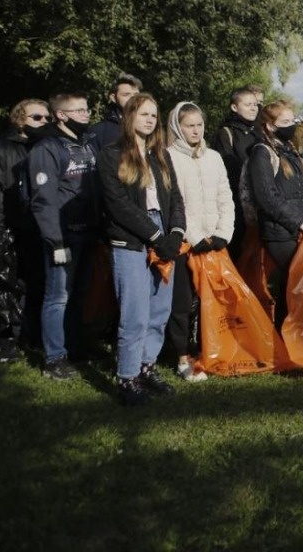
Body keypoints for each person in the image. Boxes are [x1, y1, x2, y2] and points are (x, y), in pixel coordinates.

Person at [98, 93, 186, 405]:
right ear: (130, 116)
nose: (149, 120)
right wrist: (153, 235)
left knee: (159, 310)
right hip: (131, 240)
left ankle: (146, 368)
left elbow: (176, 199)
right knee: (135, 312)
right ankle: (127, 377)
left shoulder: (161, 155)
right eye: (143, 114)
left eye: (153, 115)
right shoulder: (111, 155)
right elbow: (117, 204)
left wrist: (175, 234)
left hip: (164, 236)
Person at [28, 92, 100, 380]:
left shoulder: (87, 144)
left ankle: (74, 346)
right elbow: (42, 199)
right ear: (61, 114)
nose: (85, 114)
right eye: (79, 110)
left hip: (89, 232)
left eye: (86, 109)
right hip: (63, 236)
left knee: (79, 294)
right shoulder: (47, 148)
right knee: (57, 296)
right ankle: (54, 358)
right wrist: (54, 240)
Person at [166, 101, 234, 382]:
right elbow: (174, 202)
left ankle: (210, 349)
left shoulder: (214, 157)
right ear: (177, 128)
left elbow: (225, 197)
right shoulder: (168, 157)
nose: (196, 130)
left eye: (199, 125)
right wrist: (194, 237)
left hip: (215, 240)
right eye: (189, 125)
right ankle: (182, 356)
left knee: (213, 300)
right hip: (186, 242)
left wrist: (223, 233)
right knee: (182, 302)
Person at [246, 101, 303, 328]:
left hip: (302, 227)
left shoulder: (290, 151)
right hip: (279, 232)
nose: (292, 126)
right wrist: (300, 221)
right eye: (286, 122)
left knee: (293, 285)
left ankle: (293, 338)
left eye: (293, 121)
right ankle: (288, 336)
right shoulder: (262, 153)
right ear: (270, 126)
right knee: (296, 283)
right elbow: (267, 197)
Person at [0, 99, 50, 359]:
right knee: (8, 285)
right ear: (20, 120)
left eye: (46, 118)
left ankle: (32, 336)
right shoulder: (4, 149)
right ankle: (7, 339)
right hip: (10, 227)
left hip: (40, 229)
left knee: (37, 283)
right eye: (37, 117)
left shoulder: (45, 148)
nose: (43, 122)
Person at [212, 87, 260, 260]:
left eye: (255, 104)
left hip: (258, 201)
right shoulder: (226, 133)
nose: (253, 108)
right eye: (248, 104)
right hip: (236, 203)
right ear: (234, 107)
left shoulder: (258, 132)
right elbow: (227, 169)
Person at [89, 73, 142, 152]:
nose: (132, 98)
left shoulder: (149, 128)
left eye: (136, 95)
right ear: (113, 98)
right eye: (126, 94)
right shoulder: (99, 132)